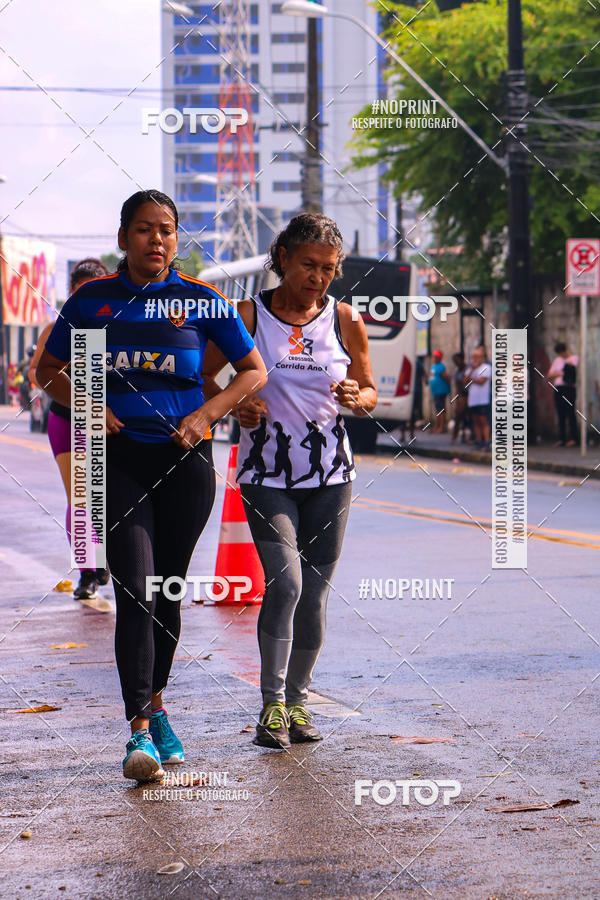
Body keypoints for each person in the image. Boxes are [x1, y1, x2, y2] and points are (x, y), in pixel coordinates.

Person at [37, 189, 267, 781]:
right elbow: (47, 372)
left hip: (185, 465)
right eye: (143, 229)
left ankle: (158, 705)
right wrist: (90, 400)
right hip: (116, 462)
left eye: (165, 230)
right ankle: (139, 728)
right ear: (123, 239)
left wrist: (207, 414)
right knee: (134, 589)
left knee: (166, 591)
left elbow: (252, 371)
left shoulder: (201, 301)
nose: (156, 240)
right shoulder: (93, 302)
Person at [202, 213, 377, 749]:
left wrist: (358, 398)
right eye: (307, 265)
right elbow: (208, 377)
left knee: (317, 594)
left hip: (331, 475)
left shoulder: (346, 321)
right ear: (281, 259)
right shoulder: (248, 315)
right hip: (266, 473)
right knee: (287, 583)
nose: (318, 277)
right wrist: (241, 406)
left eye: (328, 269)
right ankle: (271, 708)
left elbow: (370, 391)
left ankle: (299, 705)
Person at [30, 259, 111, 601]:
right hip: (67, 418)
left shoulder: (119, 324)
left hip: (111, 422)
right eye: (81, 292)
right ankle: (87, 572)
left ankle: (104, 555)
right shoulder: (58, 328)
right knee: (81, 497)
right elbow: (37, 371)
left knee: (106, 496)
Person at [547, 341, 579, 447]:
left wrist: (561, 372)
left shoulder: (574, 358)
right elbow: (550, 375)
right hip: (559, 388)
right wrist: (561, 373)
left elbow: (570, 370)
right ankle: (562, 438)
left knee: (570, 412)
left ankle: (574, 438)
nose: (561, 355)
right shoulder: (557, 360)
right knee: (560, 413)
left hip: (569, 388)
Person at [466, 345, 491, 449]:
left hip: (483, 399)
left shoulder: (487, 367)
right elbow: (464, 380)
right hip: (473, 399)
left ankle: (486, 441)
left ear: (482, 358)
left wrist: (471, 380)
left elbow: (482, 381)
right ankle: (479, 441)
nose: (475, 359)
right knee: (476, 421)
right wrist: (472, 370)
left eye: (477, 357)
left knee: (483, 420)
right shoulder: (471, 368)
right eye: (474, 357)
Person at [429, 349, 450, 434]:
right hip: (436, 391)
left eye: (436, 357)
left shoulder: (441, 366)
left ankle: (441, 427)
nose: (434, 358)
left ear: (440, 358)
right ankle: (437, 426)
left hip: (441, 391)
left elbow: (446, 377)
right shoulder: (434, 366)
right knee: (438, 410)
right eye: (434, 356)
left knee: (440, 410)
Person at [450, 351, 469, 444]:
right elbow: (457, 387)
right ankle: (455, 436)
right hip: (462, 395)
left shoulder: (468, 369)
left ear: (462, 360)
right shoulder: (457, 372)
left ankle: (471, 436)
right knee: (458, 415)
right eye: (454, 361)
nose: (456, 363)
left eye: (457, 360)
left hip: (471, 395)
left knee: (470, 417)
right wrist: (457, 400)